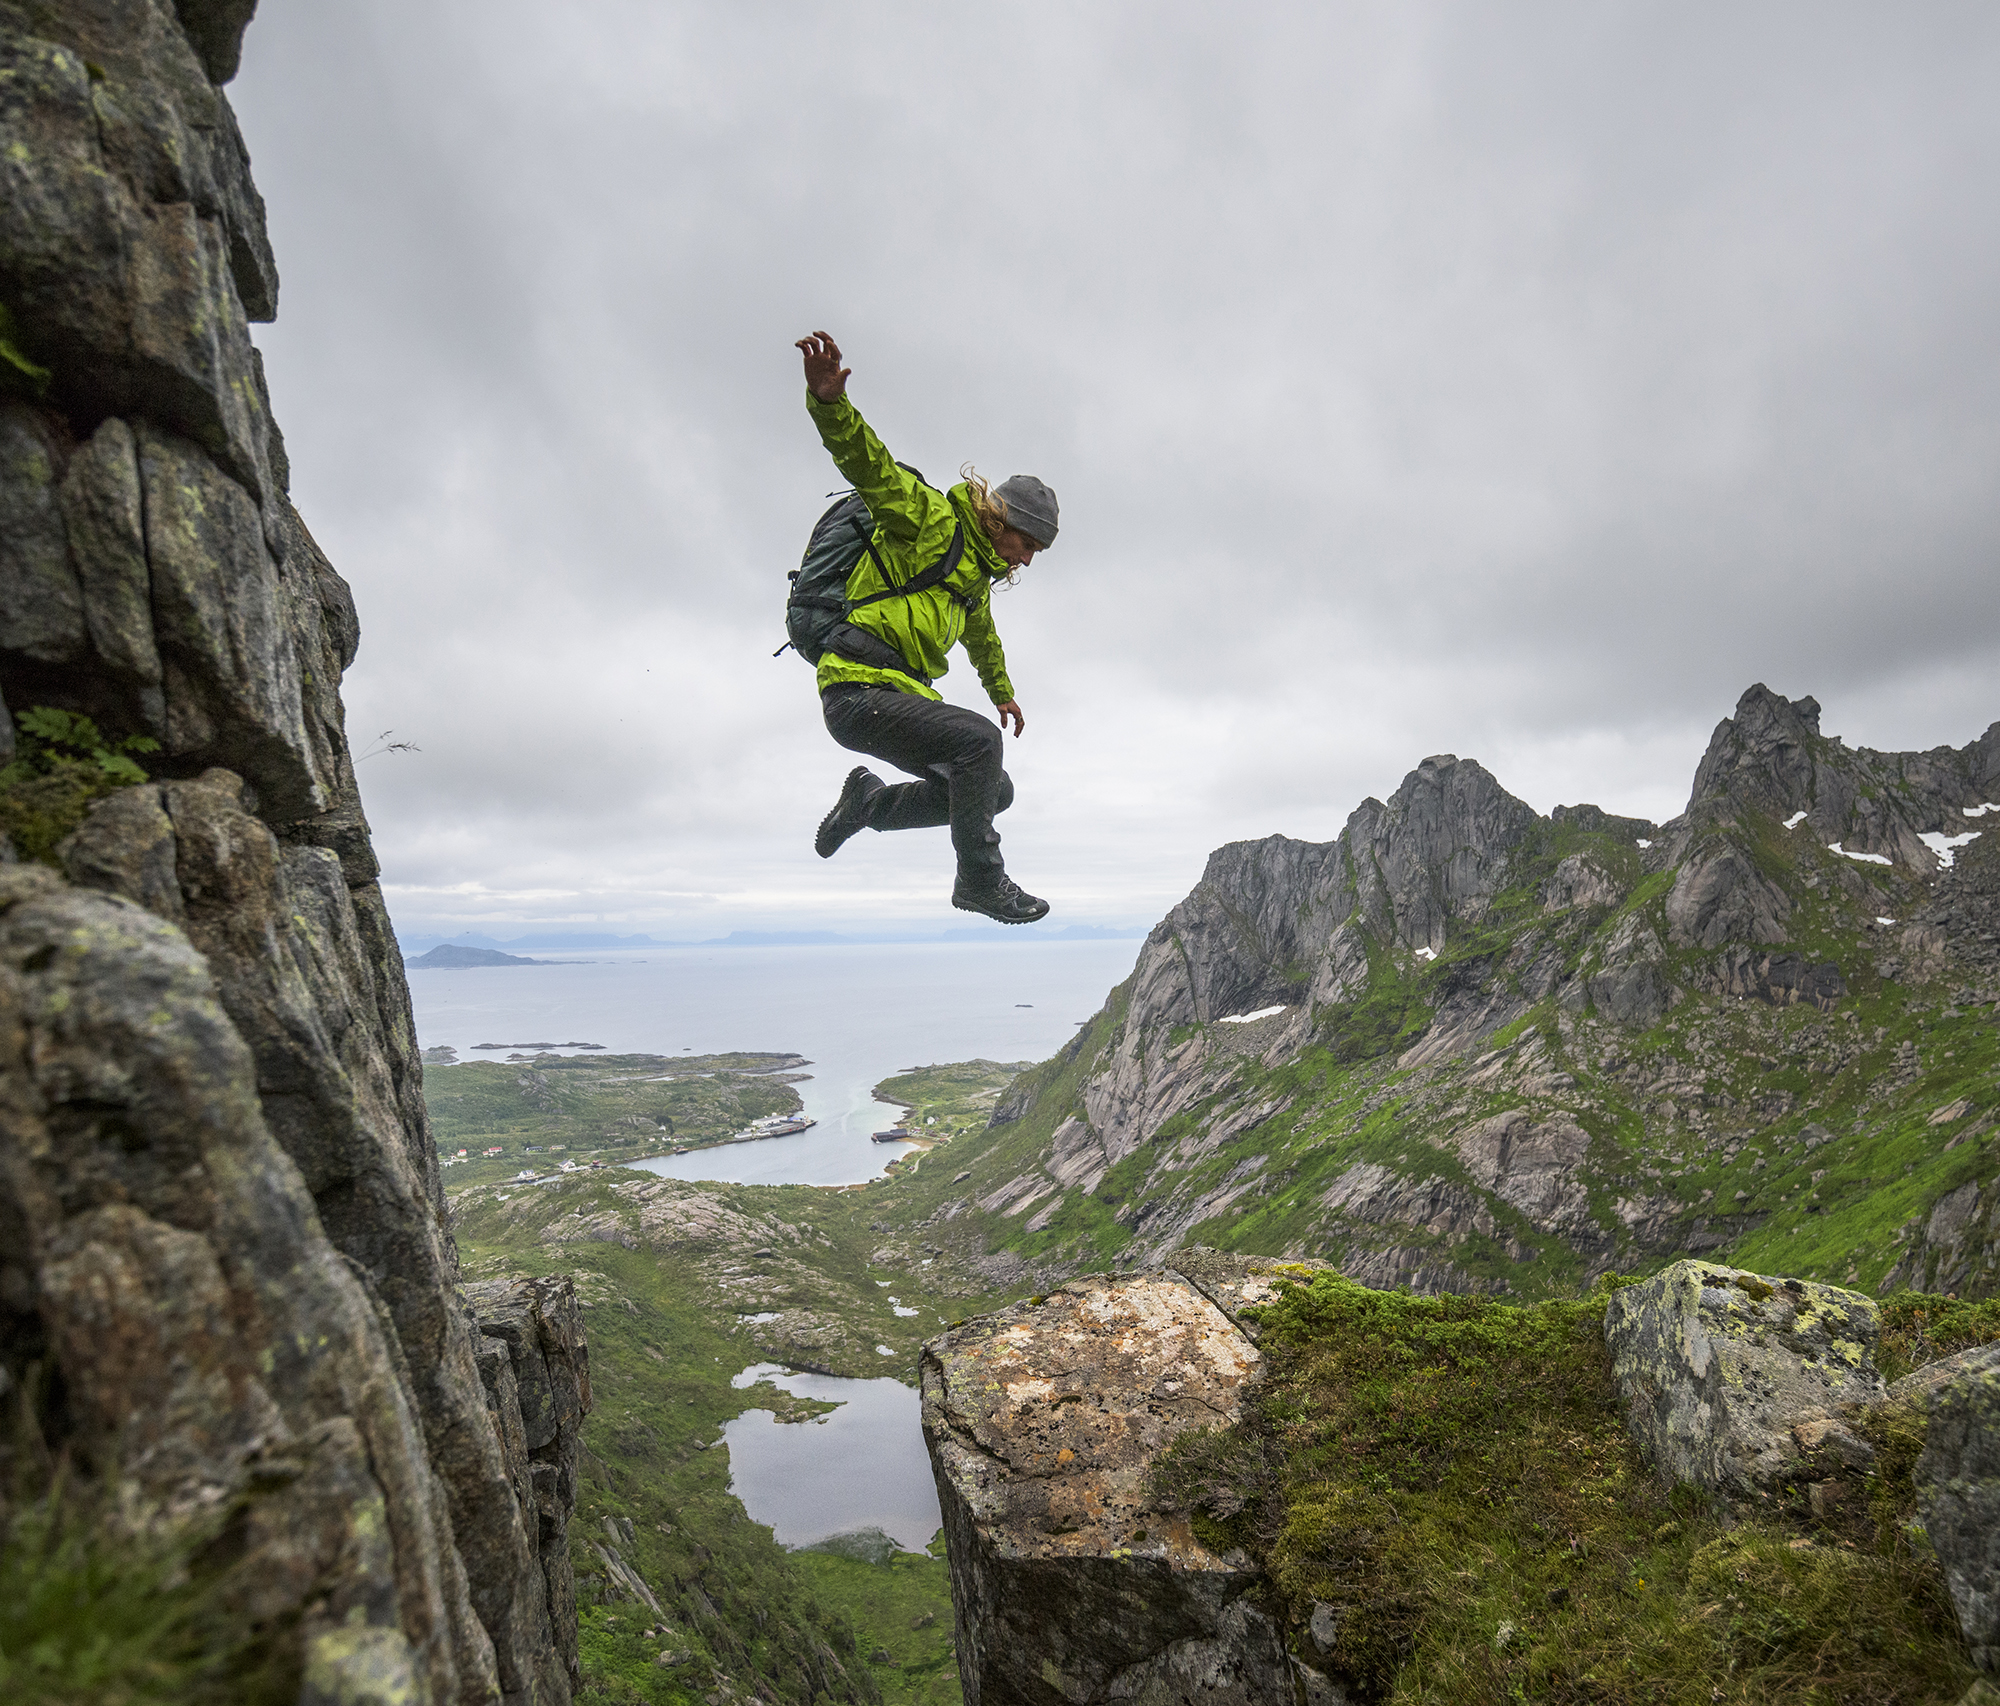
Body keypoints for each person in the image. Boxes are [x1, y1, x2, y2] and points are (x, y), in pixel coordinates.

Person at [794, 330, 1058, 926]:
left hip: (898, 696)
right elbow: (872, 469)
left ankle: (869, 804)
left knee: (994, 789)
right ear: (1001, 518)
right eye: (1027, 543)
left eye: (1037, 552)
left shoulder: (975, 578)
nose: (1027, 559)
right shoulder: (931, 521)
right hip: (857, 689)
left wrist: (1003, 693)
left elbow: (984, 640)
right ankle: (980, 881)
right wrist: (831, 405)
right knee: (977, 744)